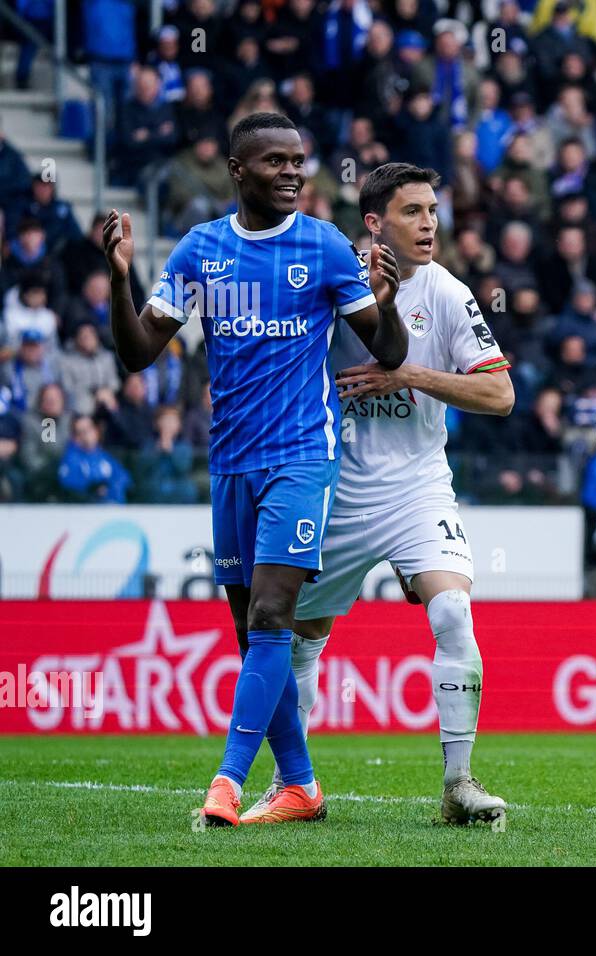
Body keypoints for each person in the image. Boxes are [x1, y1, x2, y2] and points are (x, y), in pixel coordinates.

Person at [103, 111, 408, 827]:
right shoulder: (200, 250)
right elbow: (139, 350)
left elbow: (388, 353)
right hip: (231, 463)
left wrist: (386, 305)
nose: (293, 172)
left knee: (274, 616)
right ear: (239, 171)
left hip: (302, 456)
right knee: (250, 636)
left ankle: (228, 783)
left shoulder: (327, 247)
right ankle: (300, 786)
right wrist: (120, 279)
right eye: (276, 162)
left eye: (298, 160)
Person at [245, 163, 514, 826]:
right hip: (332, 489)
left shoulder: (448, 293)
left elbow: (500, 394)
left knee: (453, 614)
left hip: (417, 488)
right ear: (374, 223)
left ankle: (459, 784)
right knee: (301, 638)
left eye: (432, 210)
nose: (430, 224)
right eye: (414, 211)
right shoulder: (328, 276)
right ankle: (293, 784)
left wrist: (410, 376)